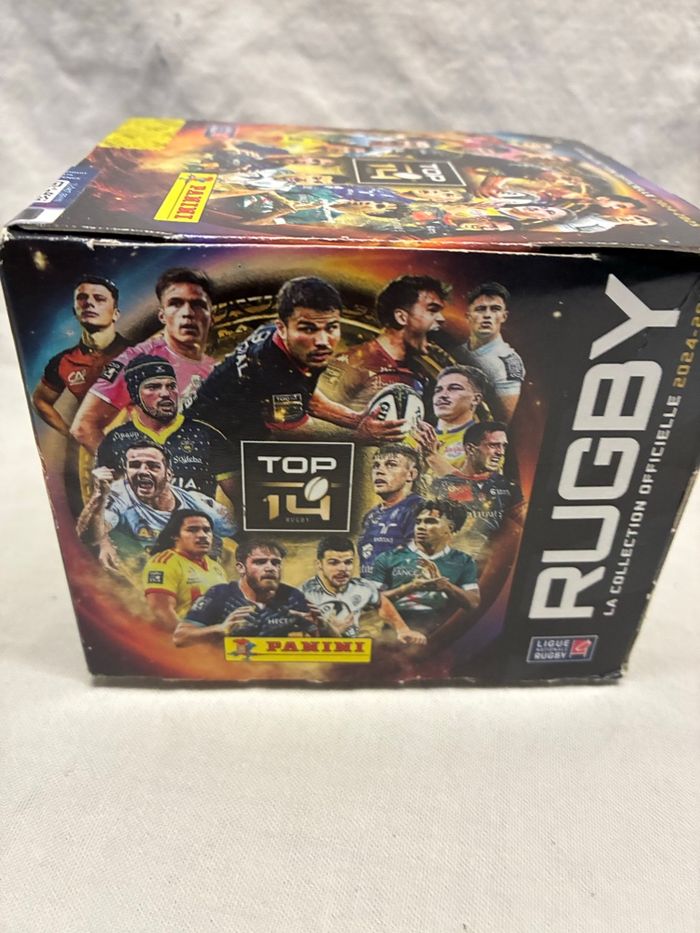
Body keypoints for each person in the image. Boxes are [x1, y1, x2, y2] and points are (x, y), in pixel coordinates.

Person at [187, 276, 405, 468]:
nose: (323, 341)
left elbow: (308, 399)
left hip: (234, 421)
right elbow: (290, 431)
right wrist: (359, 436)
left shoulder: (289, 343)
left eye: (331, 327)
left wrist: (356, 418)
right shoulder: (275, 370)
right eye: (308, 329)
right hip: (207, 438)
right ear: (282, 328)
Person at [71, 267, 216, 453]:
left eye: (198, 305)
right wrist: (124, 467)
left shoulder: (214, 368)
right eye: (175, 303)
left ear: (211, 317)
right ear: (162, 315)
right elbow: (83, 427)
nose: (187, 313)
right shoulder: (136, 360)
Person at [76, 442, 235, 573]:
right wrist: (99, 496)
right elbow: (88, 537)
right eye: (135, 465)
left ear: (169, 475)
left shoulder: (197, 504)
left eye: (153, 466)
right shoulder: (117, 496)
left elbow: (233, 529)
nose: (143, 471)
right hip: (135, 578)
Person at [96, 355, 236, 499]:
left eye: (171, 386)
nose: (165, 393)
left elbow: (242, 499)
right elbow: (106, 503)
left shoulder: (207, 436)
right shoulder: (115, 440)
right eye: (153, 387)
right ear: (135, 394)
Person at [322, 275, 449, 411]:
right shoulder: (353, 363)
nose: (441, 318)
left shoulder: (419, 374)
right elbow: (317, 416)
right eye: (432, 310)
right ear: (401, 317)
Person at [31, 276, 130, 436]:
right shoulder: (62, 362)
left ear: (115, 314)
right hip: (95, 445)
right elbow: (40, 399)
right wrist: (70, 434)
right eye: (82, 297)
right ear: (75, 312)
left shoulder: (139, 352)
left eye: (99, 298)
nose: (89, 303)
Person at [173, 538, 316, 647]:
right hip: (230, 671)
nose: (270, 568)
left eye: (275, 563)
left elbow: (321, 640)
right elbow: (181, 637)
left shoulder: (292, 597)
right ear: (241, 568)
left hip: (277, 671)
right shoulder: (220, 595)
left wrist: (322, 627)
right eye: (260, 562)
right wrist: (221, 629)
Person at [369, 499, 480, 637]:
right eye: (418, 522)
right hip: (396, 636)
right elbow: (370, 601)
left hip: (443, 636)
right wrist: (410, 587)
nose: (421, 527)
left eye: (430, 521)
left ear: (450, 528)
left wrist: (446, 586)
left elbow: (473, 603)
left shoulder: (463, 561)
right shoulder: (388, 558)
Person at [301, 535, 426, 644]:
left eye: (348, 562)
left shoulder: (363, 587)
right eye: (334, 563)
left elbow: (381, 602)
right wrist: (331, 632)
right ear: (319, 564)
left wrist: (402, 629)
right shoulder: (304, 595)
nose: (343, 568)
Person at [431, 421, 525, 558]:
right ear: (470, 449)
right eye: (493, 445)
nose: (500, 452)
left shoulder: (508, 487)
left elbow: (527, 528)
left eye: (503, 446)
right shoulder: (442, 486)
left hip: (493, 565)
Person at [142, 510, 227, 631]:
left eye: (207, 530)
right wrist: (194, 637)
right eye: (192, 530)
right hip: (186, 639)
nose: (202, 535)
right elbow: (162, 612)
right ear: (175, 535)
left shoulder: (216, 567)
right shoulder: (163, 563)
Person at [453, 282, 525, 422]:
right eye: (480, 309)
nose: (487, 315)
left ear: (504, 316)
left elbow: (502, 423)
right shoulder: (457, 351)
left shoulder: (507, 362)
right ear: (468, 316)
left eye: (495, 309)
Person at [358, 444, 425, 576]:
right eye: (376, 465)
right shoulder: (370, 515)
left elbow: (418, 564)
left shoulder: (420, 510)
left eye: (391, 464)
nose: (379, 471)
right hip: (370, 587)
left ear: (411, 474)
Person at [418, 365, 488, 472]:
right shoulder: (416, 437)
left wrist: (432, 457)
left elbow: (475, 482)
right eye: (438, 390)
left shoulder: (486, 441)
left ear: (476, 399)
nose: (442, 395)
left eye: (454, 388)